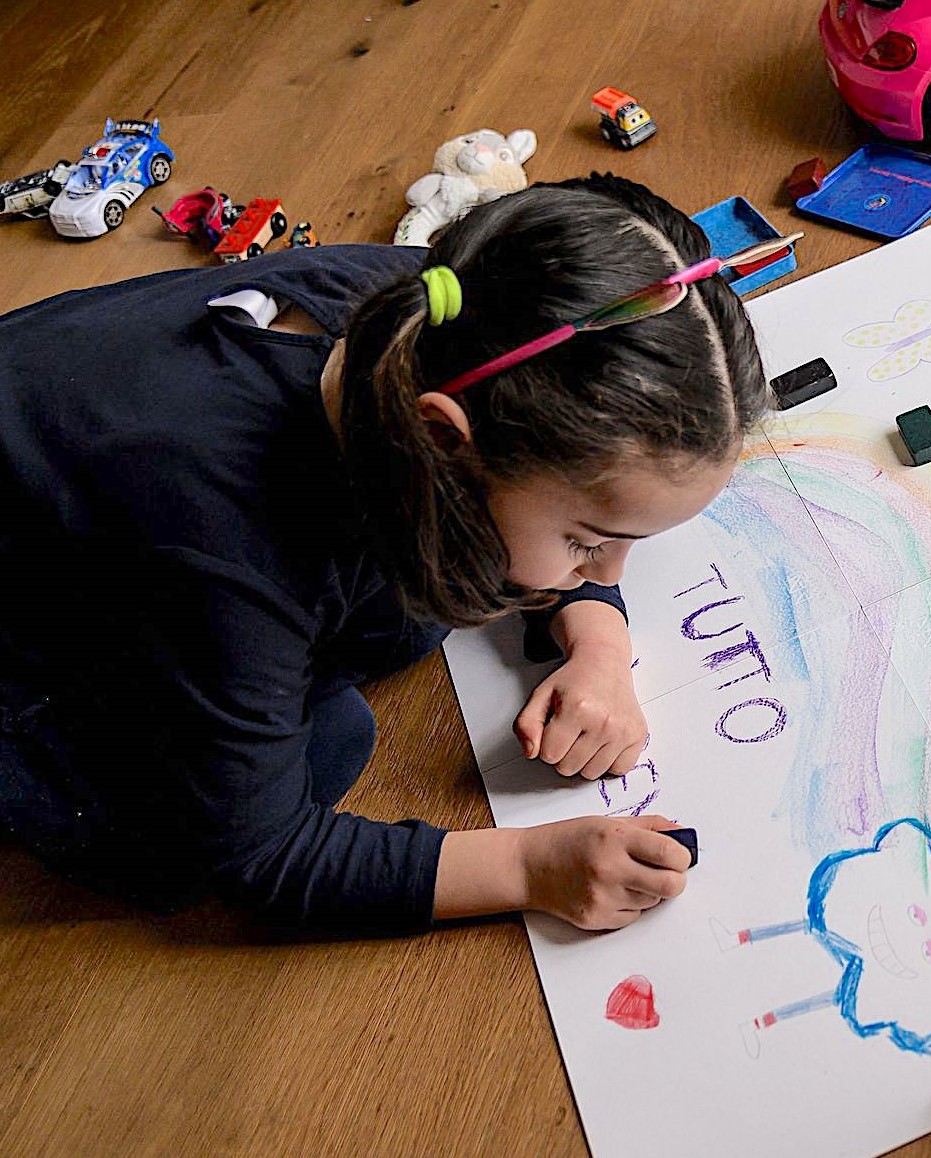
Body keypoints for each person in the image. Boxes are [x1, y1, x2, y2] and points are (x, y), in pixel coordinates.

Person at [0, 174, 768, 935]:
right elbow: (262, 856)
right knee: (309, 752)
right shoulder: (233, 546)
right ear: (441, 441)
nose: (606, 573)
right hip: (49, 588)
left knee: (406, 606)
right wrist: (528, 868)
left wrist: (597, 636)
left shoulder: (457, 310)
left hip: (89, 431)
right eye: (587, 543)